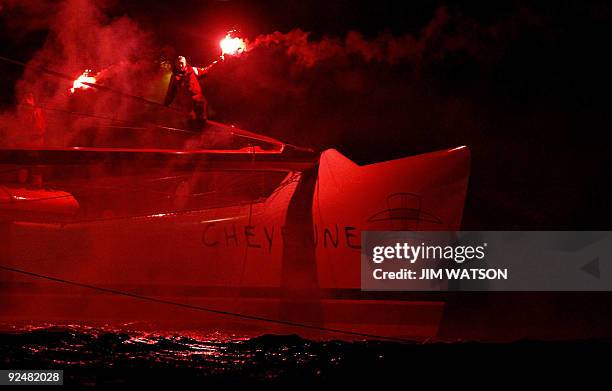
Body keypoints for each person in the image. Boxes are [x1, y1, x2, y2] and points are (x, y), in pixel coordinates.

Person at [164, 55, 212, 130]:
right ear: (175, 65)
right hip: (188, 105)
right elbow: (170, 93)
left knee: (202, 122)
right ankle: (190, 137)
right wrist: (165, 104)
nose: (180, 65)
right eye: (178, 64)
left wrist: (216, 63)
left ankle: (201, 137)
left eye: (181, 63)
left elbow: (206, 70)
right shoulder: (175, 77)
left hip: (199, 101)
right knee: (190, 123)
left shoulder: (193, 70)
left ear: (185, 63)